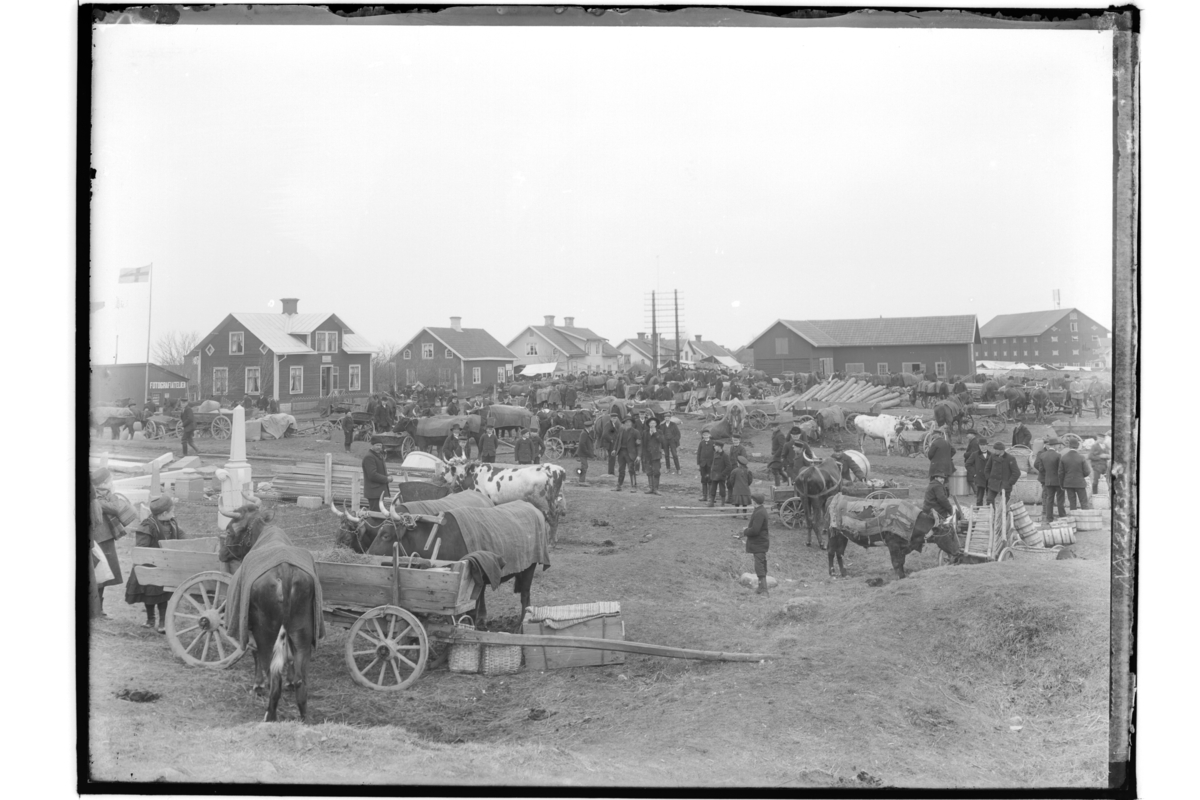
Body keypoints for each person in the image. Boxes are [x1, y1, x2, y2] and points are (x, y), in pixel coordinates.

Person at [124, 494, 182, 632]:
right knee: (148, 594)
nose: (174, 513)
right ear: (163, 514)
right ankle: (150, 619)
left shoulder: (172, 523)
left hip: (165, 565)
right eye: (172, 511)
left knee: (163, 596)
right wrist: (153, 555)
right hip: (149, 566)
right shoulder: (148, 526)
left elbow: (181, 536)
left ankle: (162, 622)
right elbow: (142, 547)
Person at [90, 469, 127, 618]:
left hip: (106, 538)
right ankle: (96, 608)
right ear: (104, 483)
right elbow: (116, 508)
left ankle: (100, 608)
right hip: (99, 539)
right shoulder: (96, 496)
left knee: (105, 575)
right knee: (99, 573)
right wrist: (107, 500)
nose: (112, 484)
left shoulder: (106, 495)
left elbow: (117, 506)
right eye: (110, 480)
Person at [736, 493, 771, 595]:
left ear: (755, 502)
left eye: (752, 500)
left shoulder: (759, 513)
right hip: (760, 542)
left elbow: (755, 530)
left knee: (759, 565)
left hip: (759, 543)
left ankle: (764, 589)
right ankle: (761, 587)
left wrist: (745, 531)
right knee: (761, 564)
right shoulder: (761, 510)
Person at [1034, 438, 1066, 522]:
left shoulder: (1043, 455)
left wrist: (1048, 475)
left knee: (1049, 499)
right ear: (1055, 445)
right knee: (1060, 499)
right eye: (1057, 445)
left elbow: (1041, 469)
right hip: (1058, 482)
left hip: (1048, 481)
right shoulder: (1058, 455)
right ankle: (1062, 516)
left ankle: (1049, 518)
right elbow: (1061, 470)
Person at [1058, 436, 1092, 510]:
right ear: (1077, 446)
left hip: (1068, 483)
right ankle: (1085, 518)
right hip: (1080, 482)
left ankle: (1073, 518)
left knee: (1072, 503)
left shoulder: (1064, 457)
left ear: (1069, 446)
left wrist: (1062, 484)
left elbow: (1060, 473)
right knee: (1084, 502)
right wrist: (1080, 476)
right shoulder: (1081, 457)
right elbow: (1087, 471)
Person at [612, 418, 641, 493]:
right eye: (626, 422)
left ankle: (634, 487)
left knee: (631, 470)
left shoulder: (635, 432)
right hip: (621, 453)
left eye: (629, 422)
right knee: (621, 470)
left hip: (630, 454)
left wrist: (638, 455)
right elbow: (617, 441)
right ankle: (619, 486)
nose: (628, 424)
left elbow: (639, 445)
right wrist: (614, 449)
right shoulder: (621, 431)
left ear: (632, 424)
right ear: (624, 423)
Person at [362, 439, 391, 512]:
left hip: (378, 491)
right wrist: (386, 479)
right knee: (375, 515)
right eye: (377, 445)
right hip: (374, 492)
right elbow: (372, 475)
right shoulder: (369, 457)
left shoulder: (378, 456)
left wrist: (387, 475)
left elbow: (379, 471)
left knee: (379, 514)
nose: (379, 447)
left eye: (380, 445)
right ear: (372, 445)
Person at [641, 418, 665, 495]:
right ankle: (651, 488)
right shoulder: (645, 432)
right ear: (648, 424)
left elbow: (662, 441)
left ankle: (656, 489)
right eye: (651, 423)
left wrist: (655, 433)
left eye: (654, 423)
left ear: (656, 424)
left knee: (656, 472)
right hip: (647, 455)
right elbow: (643, 444)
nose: (652, 425)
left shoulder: (659, 432)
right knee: (649, 471)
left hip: (656, 455)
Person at [963, 432, 987, 506]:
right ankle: (977, 493)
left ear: (973, 435)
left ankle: (977, 493)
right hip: (974, 463)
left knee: (971, 479)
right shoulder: (974, 441)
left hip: (973, 463)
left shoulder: (974, 443)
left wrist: (965, 454)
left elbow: (972, 453)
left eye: (968, 434)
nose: (967, 435)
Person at [707, 441, 729, 507]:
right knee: (713, 489)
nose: (714, 447)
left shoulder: (725, 455)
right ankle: (711, 502)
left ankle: (722, 504)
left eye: (715, 446)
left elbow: (729, 466)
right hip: (714, 475)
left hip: (721, 476)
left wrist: (723, 474)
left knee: (722, 490)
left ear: (719, 447)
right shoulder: (715, 453)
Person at [696, 430, 715, 502]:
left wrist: (714, 464)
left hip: (710, 465)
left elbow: (715, 453)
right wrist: (698, 464)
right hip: (703, 464)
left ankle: (710, 496)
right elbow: (698, 454)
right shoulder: (701, 443)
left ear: (709, 435)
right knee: (704, 480)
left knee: (710, 480)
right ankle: (704, 496)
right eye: (704, 435)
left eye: (707, 435)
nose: (706, 436)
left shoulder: (713, 443)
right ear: (702, 436)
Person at [768, 422, 786, 486]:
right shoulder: (775, 433)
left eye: (772, 427)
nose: (771, 429)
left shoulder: (780, 435)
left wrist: (776, 454)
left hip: (779, 456)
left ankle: (777, 485)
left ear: (777, 427)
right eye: (771, 427)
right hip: (776, 454)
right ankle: (787, 479)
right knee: (779, 470)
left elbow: (782, 446)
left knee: (774, 470)